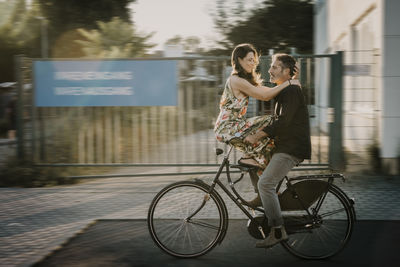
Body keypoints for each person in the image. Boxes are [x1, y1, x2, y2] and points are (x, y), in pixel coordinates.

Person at [214, 43, 300, 207]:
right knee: (269, 122)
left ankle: (264, 190)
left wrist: (290, 81)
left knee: (266, 146)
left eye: (254, 60)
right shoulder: (236, 80)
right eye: (249, 60)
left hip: (235, 126)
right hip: (228, 126)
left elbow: (267, 91)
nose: (253, 63)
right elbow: (265, 95)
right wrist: (289, 84)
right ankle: (250, 161)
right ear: (238, 60)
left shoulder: (244, 80)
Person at [244, 53, 311, 248]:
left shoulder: (291, 92)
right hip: (285, 144)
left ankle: (277, 230)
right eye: (271, 66)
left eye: (274, 67)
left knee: (266, 184)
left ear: (286, 71)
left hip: (292, 148)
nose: (269, 70)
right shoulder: (287, 89)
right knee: (254, 164)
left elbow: (283, 122)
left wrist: (257, 136)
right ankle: (263, 200)